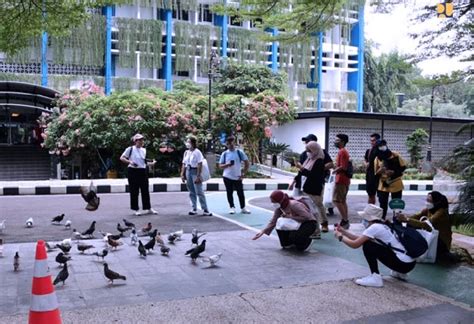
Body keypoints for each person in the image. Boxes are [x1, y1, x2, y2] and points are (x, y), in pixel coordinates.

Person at [335, 204, 416, 287]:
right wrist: (344, 232)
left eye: (364, 217)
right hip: (409, 265)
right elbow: (360, 238)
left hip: (402, 265)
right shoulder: (384, 225)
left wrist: (340, 237)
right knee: (369, 242)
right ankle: (400, 273)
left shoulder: (374, 227)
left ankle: (375, 277)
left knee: (368, 245)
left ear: (369, 218)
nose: (363, 220)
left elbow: (355, 244)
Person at [396, 191, 453, 261]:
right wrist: (403, 217)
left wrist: (407, 219)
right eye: (427, 200)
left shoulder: (441, 213)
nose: (427, 202)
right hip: (432, 236)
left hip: (441, 241)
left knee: (412, 223)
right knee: (410, 224)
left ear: (436, 202)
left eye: (429, 201)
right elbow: (416, 216)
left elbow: (426, 224)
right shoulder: (429, 209)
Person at [252, 190, 317, 252]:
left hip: (309, 223)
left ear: (280, 200)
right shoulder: (279, 207)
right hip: (298, 222)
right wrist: (262, 231)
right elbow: (273, 221)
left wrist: (290, 217)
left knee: (299, 245)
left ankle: (308, 241)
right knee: (280, 223)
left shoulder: (294, 205)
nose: (273, 204)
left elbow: (307, 217)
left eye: (274, 201)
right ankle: (288, 243)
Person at [289, 141, 327, 238]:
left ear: (315, 150)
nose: (308, 152)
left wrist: (301, 168)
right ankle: (313, 230)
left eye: (309, 150)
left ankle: (316, 231)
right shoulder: (309, 160)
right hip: (306, 188)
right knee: (309, 211)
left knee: (314, 211)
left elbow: (313, 176)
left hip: (313, 189)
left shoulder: (319, 161)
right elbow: (302, 174)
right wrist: (295, 181)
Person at [120, 134, 157, 216]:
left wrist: (151, 164)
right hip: (133, 171)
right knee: (134, 190)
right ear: (135, 141)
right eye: (139, 140)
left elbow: (144, 162)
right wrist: (130, 162)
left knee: (145, 190)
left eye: (142, 140)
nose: (141, 142)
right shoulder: (130, 149)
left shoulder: (144, 150)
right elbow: (122, 158)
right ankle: (135, 209)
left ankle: (148, 208)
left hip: (142, 170)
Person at [219, 135, 251, 214]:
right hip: (227, 176)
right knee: (229, 192)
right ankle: (232, 207)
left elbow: (247, 162)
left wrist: (243, 173)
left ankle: (243, 207)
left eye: (232, 143)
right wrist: (227, 164)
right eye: (229, 143)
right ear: (227, 144)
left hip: (237, 176)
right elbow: (220, 166)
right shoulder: (225, 154)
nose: (231, 145)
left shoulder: (239, 152)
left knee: (240, 192)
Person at [180, 135, 212, 216]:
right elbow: (184, 163)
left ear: (193, 143)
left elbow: (199, 164)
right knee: (191, 191)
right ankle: (194, 208)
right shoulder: (186, 152)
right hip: (188, 170)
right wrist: (182, 174)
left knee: (199, 191)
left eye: (189, 142)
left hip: (195, 171)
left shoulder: (197, 152)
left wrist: (198, 176)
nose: (187, 143)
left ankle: (205, 209)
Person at [374, 140, 406, 219]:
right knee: (382, 205)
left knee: (397, 205)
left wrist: (394, 172)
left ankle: (397, 221)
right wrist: (380, 171)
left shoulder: (395, 155)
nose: (382, 147)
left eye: (383, 145)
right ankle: (382, 221)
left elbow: (403, 167)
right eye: (380, 146)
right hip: (383, 185)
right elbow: (375, 173)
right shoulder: (377, 158)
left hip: (396, 184)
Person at [333, 134, 350, 229]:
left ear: (342, 142)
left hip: (341, 179)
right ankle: (345, 221)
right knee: (342, 201)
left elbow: (343, 167)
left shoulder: (342, 152)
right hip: (344, 179)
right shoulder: (343, 151)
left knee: (336, 200)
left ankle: (345, 220)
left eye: (337, 140)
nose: (335, 141)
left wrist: (334, 170)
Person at [365, 133, 380, 204]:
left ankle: (379, 211)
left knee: (381, 196)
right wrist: (366, 163)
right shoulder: (369, 150)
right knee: (370, 194)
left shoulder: (382, 151)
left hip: (379, 175)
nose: (372, 142)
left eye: (373, 140)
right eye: (371, 141)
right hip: (370, 174)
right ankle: (370, 209)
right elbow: (365, 159)